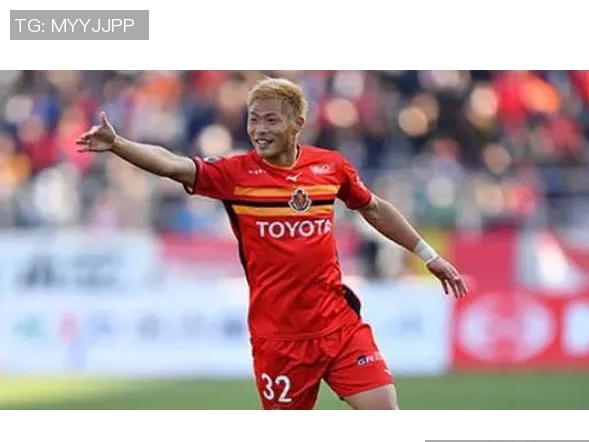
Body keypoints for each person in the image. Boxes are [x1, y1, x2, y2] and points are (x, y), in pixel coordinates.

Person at [76, 76, 469, 410]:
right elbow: (170, 163)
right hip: (279, 340)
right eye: (253, 119)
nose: (259, 129)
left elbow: (375, 208)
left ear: (297, 124)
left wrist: (427, 255)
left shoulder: (330, 167)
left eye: (270, 119)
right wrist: (118, 143)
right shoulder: (235, 175)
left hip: (338, 324)